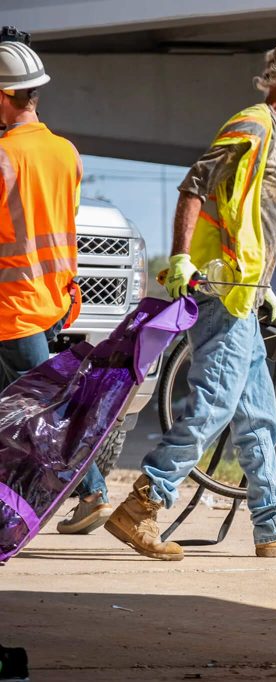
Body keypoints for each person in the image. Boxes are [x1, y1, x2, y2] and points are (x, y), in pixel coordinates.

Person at [104, 38, 276, 560]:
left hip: (244, 296)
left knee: (259, 417)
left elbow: (258, 224)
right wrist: (181, 259)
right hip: (219, 289)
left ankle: (273, 525)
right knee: (214, 404)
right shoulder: (254, 124)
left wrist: (264, 292)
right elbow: (196, 185)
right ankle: (142, 505)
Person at [0, 36, 111, 535]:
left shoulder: (4, 157)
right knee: (20, 410)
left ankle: (93, 493)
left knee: (50, 411)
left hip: (12, 307)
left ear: (4, 96)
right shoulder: (67, 153)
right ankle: (23, 500)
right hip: (50, 301)